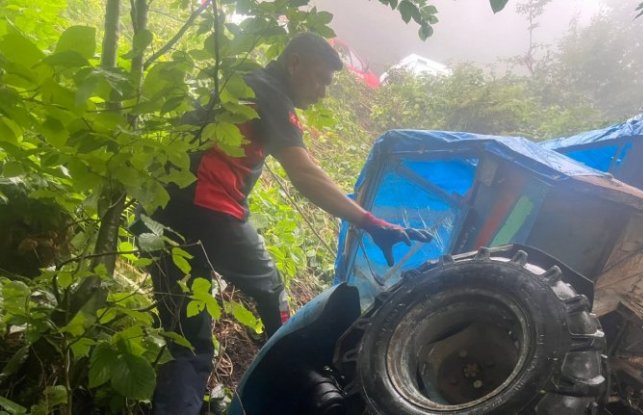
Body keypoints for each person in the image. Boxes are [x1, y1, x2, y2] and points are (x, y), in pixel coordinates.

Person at [146, 32, 433, 415]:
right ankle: (286, 367)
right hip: (211, 208)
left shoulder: (239, 78)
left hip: (158, 211)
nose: (323, 92)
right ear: (294, 63)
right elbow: (305, 174)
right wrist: (371, 222)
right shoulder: (271, 93)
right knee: (271, 289)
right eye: (320, 79)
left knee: (186, 341)